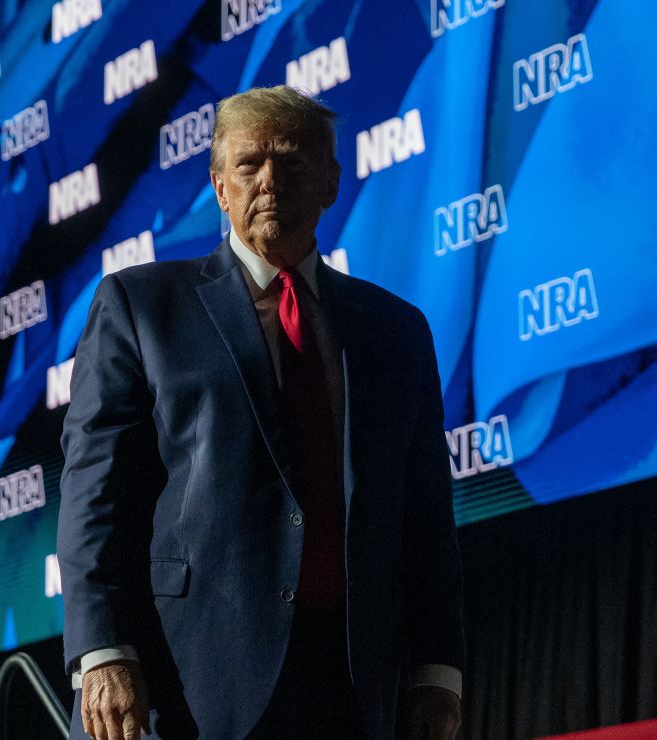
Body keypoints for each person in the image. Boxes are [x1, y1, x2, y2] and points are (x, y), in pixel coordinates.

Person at [58, 85, 464, 740]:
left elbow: (426, 516)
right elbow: (92, 496)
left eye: (293, 161)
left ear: (331, 182)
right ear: (220, 187)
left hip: (354, 688)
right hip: (186, 683)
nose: (270, 179)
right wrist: (102, 649)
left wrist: (438, 670)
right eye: (249, 164)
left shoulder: (395, 331)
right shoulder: (139, 307)